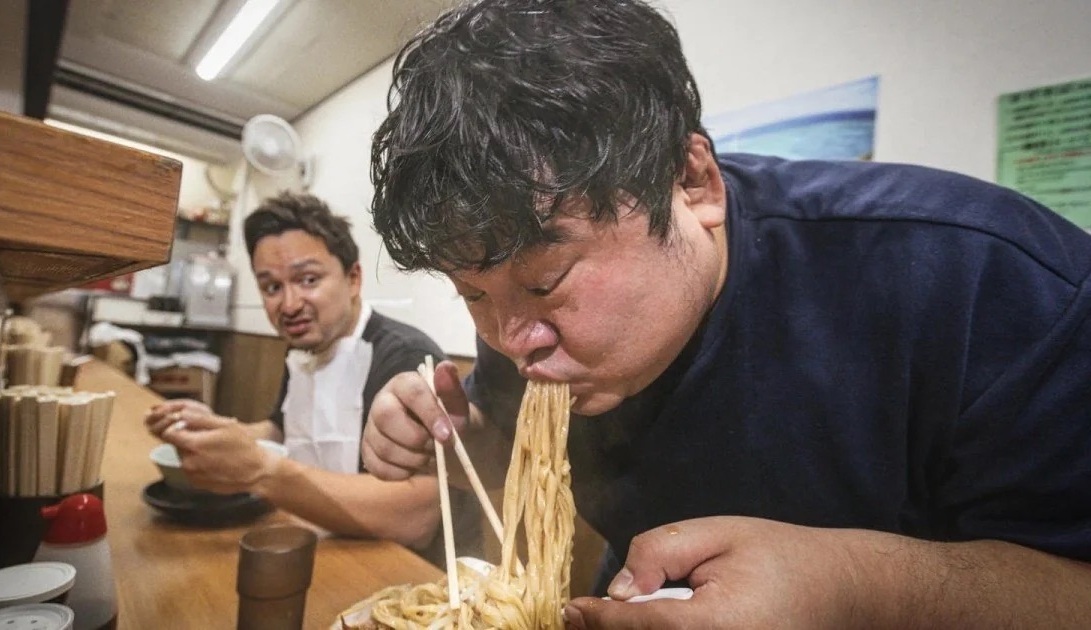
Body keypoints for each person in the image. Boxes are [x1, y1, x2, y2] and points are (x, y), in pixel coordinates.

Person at [360, 0, 1091, 627]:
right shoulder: (521, 318)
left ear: (691, 181)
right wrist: (460, 445)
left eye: (548, 282)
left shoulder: (985, 278)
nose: (513, 341)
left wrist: (853, 584)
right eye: (471, 294)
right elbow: (516, 460)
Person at [145, 192, 479, 564]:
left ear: (353, 279)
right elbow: (281, 430)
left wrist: (261, 471)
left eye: (308, 279)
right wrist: (213, 431)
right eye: (272, 287)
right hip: (321, 544)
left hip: (402, 567)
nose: (289, 305)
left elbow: (419, 516)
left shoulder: (405, 356)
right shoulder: (304, 349)